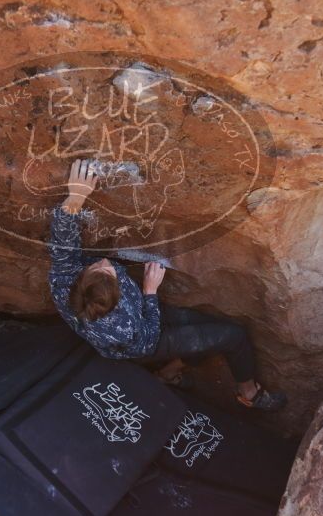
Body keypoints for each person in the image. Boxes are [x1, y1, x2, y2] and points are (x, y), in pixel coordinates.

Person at [48, 159, 286, 411]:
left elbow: (62, 241)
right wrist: (150, 292)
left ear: (81, 280)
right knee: (233, 336)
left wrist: (75, 197)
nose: (106, 261)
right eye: (111, 272)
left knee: (203, 329)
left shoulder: (65, 280)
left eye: (96, 266)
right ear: (116, 298)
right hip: (146, 338)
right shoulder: (123, 328)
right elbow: (149, 340)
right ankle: (248, 393)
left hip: (141, 318)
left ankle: (169, 373)